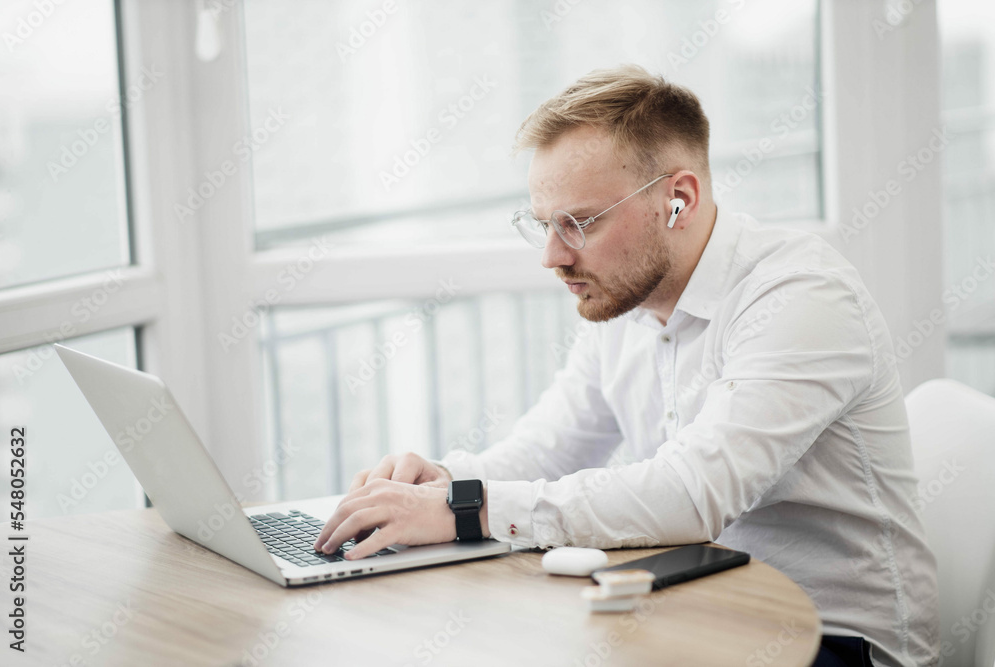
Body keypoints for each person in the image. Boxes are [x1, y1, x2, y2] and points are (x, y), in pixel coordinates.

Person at [312, 65, 938, 667]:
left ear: (678, 199)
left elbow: (693, 495)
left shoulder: (802, 296)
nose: (553, 257)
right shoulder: (626, 303)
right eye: (544, 226)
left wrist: (464, 507)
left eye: (579, 223)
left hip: (836, 641)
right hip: (694, 610)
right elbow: (546, 450)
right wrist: (438, 482)